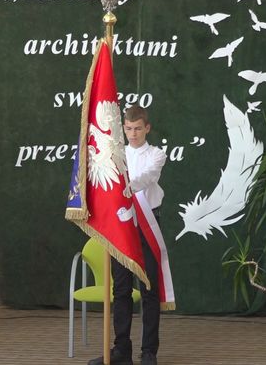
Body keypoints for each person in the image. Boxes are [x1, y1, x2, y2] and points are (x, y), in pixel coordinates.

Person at [89, 106, 166, 365]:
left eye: (138, 129)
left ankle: (149, 352)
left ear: (147, 128)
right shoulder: (115, 155)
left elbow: (148, 177)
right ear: (124, 128)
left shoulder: (157, 154)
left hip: (147, 224)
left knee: (149, 289)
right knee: (120, 289)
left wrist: (127, 186)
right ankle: (121, 350)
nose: (133, 134)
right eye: (129, 129)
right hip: (122, 226)